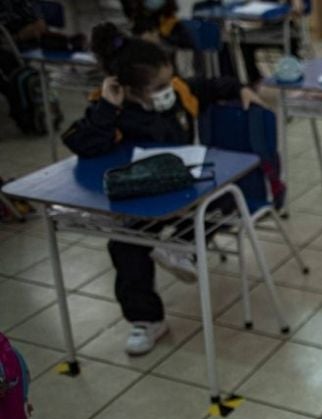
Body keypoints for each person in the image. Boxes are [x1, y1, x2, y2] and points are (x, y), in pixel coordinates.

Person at [62, 23, 264, 355]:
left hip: (187, 190)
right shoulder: (111, 110)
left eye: (169, 80)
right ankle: (147, 320)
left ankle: (182, 247)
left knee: (225, 198)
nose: (168, 88)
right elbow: (80, 142)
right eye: (158, 86)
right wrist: (108, 109)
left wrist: (239, 88)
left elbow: (211, 85)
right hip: (143, 196)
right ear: (127, 89)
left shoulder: (180, 92)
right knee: (124, 245)